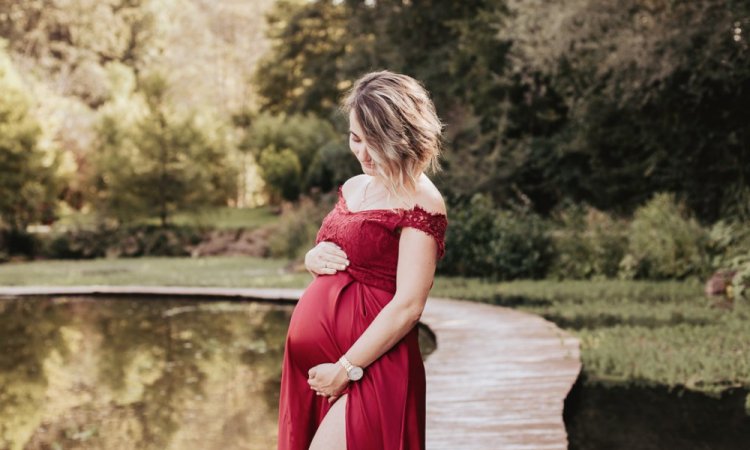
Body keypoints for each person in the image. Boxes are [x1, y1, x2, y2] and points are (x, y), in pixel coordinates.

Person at [277, 70, 448, 450]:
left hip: (372, 365)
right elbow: (343, 256)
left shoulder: (422, 199)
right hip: (321, 368)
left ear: (403, 138)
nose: (363, 154)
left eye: (375, 143)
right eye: (356, 138)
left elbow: (408, 305)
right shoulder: (356, 187)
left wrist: (346, 369)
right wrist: (312, 257)